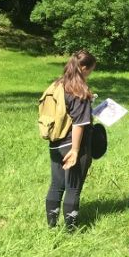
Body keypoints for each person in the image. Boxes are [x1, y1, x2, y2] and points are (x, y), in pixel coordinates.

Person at [45, 50, 97, 231]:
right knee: (73, 187)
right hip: (73, 144)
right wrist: (75, 150)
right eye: (91, 69)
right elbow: (79, 124)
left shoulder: (57, 85)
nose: (90, 73)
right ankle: (71, 230)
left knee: (56, 185)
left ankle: (51, 226)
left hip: (55, 142)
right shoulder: (79, 91)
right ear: (83, 68)